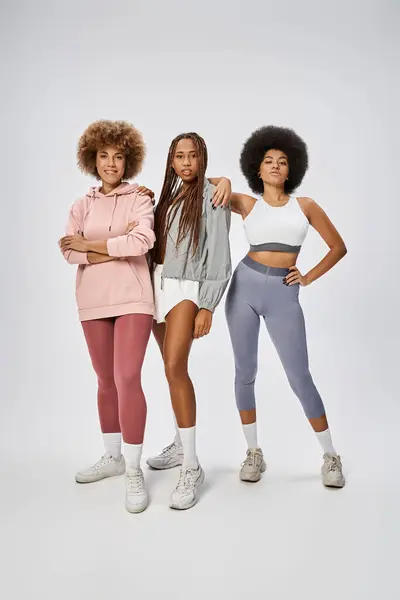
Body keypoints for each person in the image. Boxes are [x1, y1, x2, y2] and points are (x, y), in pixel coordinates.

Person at [222, 125, 347, 487]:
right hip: (243, 286)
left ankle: (330, 455)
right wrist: (226, 181)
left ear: (290, 171)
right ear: (256, 170)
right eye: (268, 161)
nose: (275, 166)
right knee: (245, 372)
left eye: (282, 161)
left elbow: (338, 247)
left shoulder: (305, 206)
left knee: (299, 375)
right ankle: (253, 453)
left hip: (283, 293)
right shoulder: (246, 203)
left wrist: (307, 277)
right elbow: (206, 184)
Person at [59, 120, 156, 513]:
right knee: (105, 379)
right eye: (104, 155)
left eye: (118, 156)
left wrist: (91, 244)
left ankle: (134, 469)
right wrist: (110, 247)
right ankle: (113, 457)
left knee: (127, 376)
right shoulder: (81, 204)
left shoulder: (140, 199)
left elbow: (143, 241)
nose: (111, 163)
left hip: (133, 297)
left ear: (128, 160)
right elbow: (68, 250)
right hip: (93, 299)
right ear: (92, 159)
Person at [144, 132, 232, 510]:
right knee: (169, 369)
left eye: (192, 156)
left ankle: (192, 466)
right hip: (155, 283)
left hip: (187, 287)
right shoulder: (165, 199)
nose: (185, 162)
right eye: (179, 156)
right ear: (171, 161)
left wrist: (208, 305)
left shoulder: (214, 197)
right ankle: (180, 446)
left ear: (202, 159)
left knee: (175, 365)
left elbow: (219, 255)